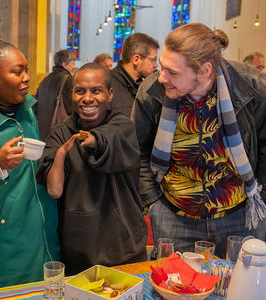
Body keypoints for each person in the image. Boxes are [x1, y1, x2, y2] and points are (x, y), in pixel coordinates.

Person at [131, 23, 266, 259]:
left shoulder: (252, 86)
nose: (161, 77)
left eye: (172, 71)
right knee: (175, 291)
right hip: (174, 217)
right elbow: (137, 151)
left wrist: (262, 197)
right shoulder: (151, 91)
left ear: (204, 71)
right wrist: (153, 202)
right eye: (161, 66)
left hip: (240, 217)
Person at [0, 34, 60, 292]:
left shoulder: (25, 109)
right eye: (17, 72)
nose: (27, 78)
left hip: (41, 236)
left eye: (26, 70)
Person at [36, 63, 148, 275]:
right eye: (80, 91)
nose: (87, 98)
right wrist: (61, 153)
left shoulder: (122, 124)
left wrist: (91, 138)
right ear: (72, 94)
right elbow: (54, 190)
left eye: (96, 90)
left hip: (124, 250)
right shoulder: (61, 134)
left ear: (110, 93)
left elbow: (108, 137)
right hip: (78, 254)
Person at [108, 32, 159, 117]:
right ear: (136, 60)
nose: (156, 65)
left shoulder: (144, 87)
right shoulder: (107, 83)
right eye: (153, 60)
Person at [33, 49, 77, 141]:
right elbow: (71, 110)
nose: (75, 67)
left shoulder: (43, 81)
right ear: (64, 64)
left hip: (42, 134)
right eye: (73, 63)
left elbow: (35, 108)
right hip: (59, 133)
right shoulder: (69, 80)